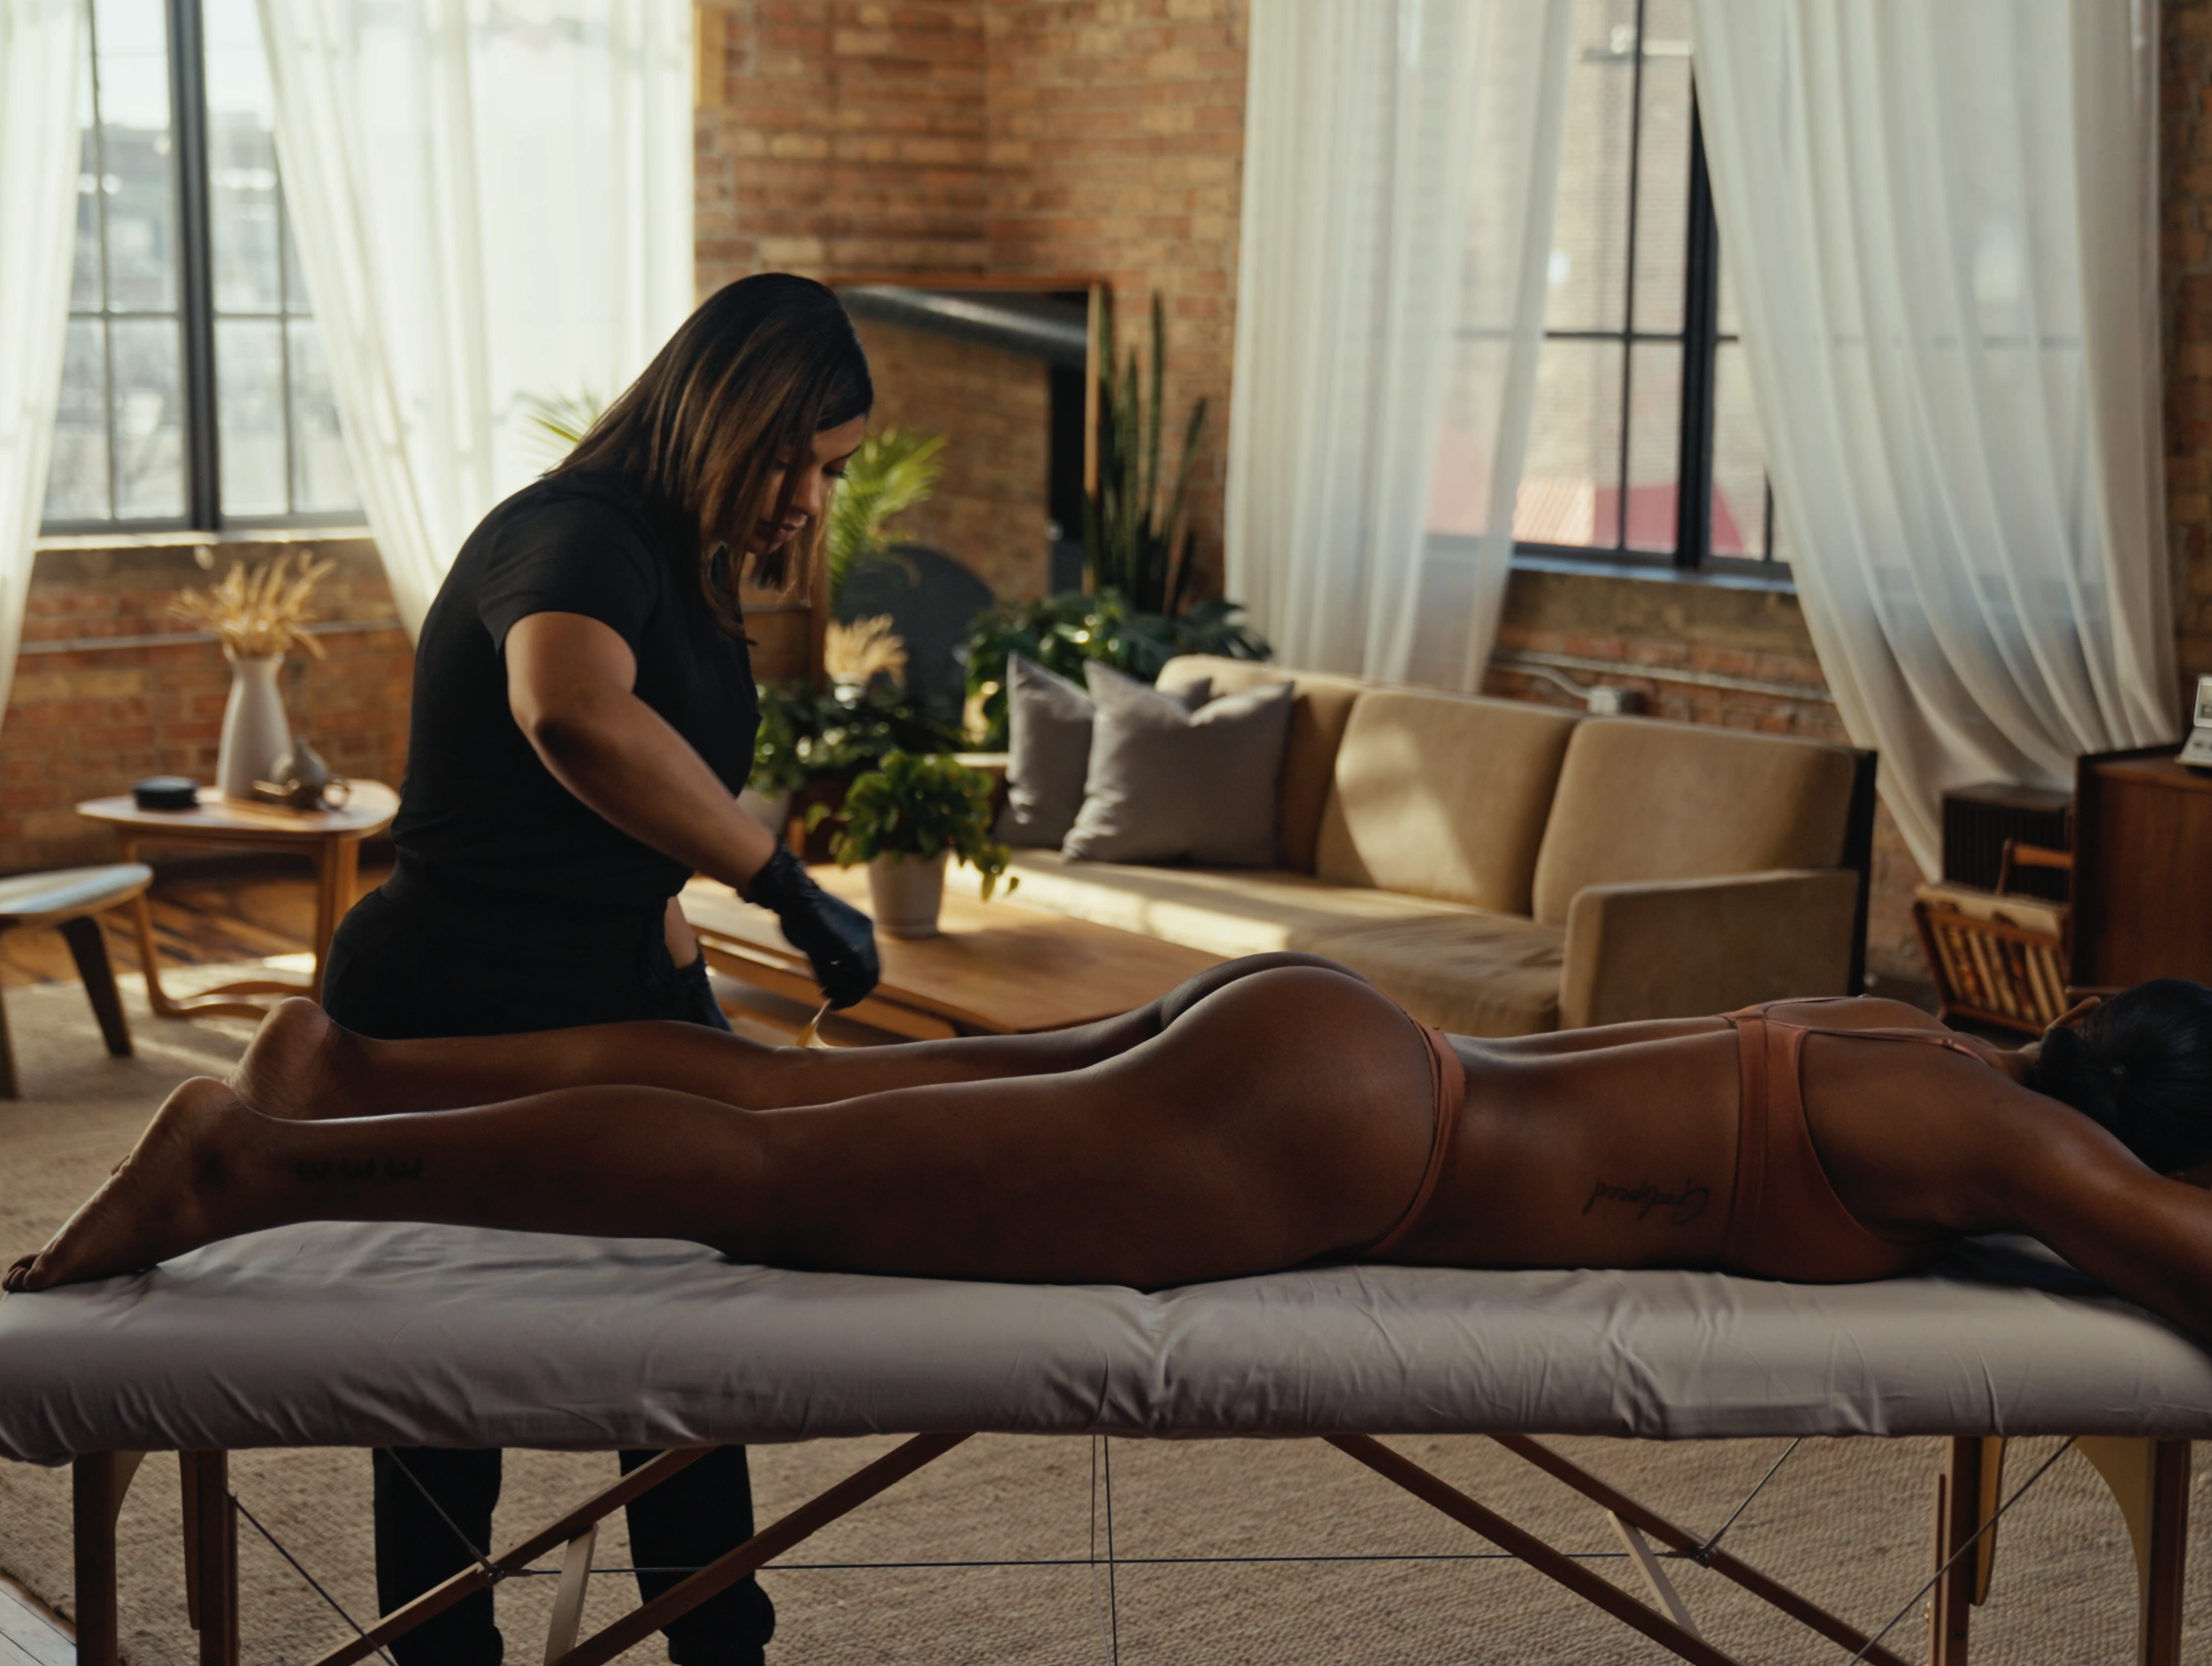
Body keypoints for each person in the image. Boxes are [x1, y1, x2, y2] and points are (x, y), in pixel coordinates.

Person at [16, 962, 2212, 1350]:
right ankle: (250, 1166)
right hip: (1345, 1133)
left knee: (781, 1099)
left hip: (1344, 1040)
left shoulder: (1905, 1029)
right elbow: (2177, 1250)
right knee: (755, 1180)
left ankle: (344, 1078)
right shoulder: (1985, 1126)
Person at [308, 273, 885, 1666]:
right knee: (452, 1378)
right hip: (447, 1014)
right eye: (797, 459)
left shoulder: (685, 562)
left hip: (614, 994)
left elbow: (616, 834)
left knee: (684, 1339)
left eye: (833, 471)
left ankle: (713, 1637)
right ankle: (445, 1648)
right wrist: (782, 881)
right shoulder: (574, 535)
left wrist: (687, 972)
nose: (811, 501)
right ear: (724, 411)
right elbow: (568, 712)